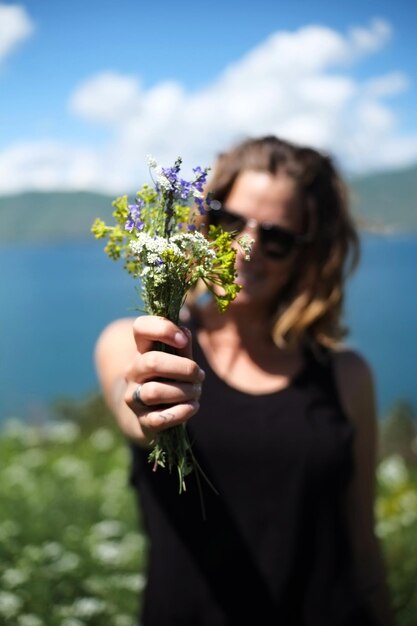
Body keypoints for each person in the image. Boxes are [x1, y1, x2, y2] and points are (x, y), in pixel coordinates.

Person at [94, 135, 394, 626]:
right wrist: (148, 408)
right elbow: (133, 406)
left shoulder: (346, 377)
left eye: (275, 238)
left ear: (307, 253)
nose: (244, 248)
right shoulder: (136, 343)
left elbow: (361, 541)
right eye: (230, 221)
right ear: (204, 221)